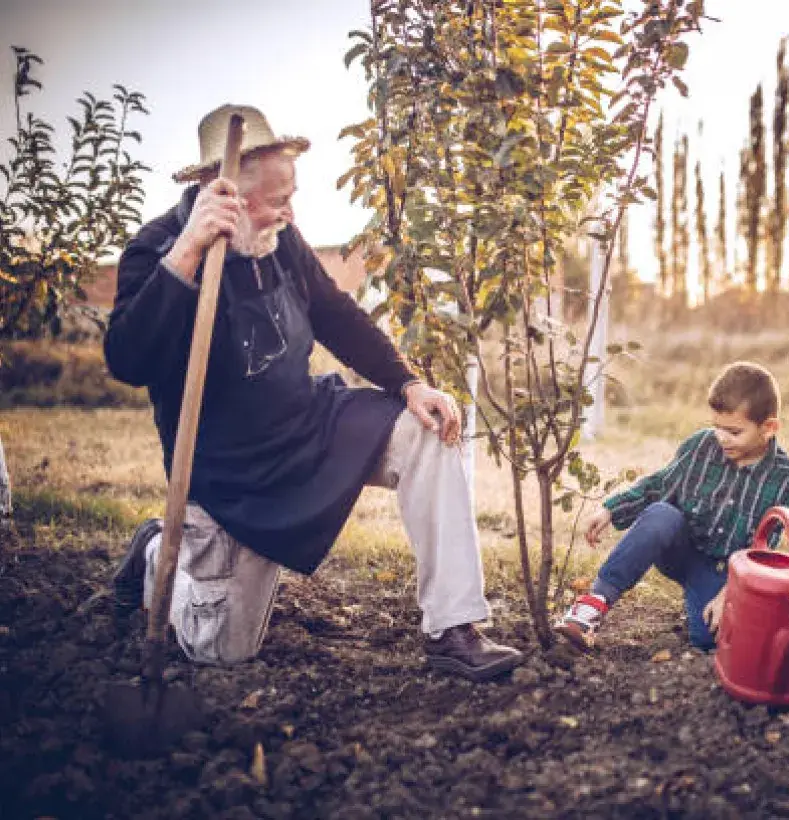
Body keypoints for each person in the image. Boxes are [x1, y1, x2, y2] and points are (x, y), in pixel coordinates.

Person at [104, 104, 523, 682]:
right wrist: (188, 255)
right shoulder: (158, 249)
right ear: (221, 194)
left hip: (308, 425)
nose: (289, 211)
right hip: (231, 478)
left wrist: (408, 382)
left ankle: (453, 629)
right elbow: (127, 360)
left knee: (428, 431)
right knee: (221, 651)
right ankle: (157, 557)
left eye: (290, 195)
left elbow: (334, 314)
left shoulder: (280, 240)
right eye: (278, 199)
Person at [554, 362, 789, 651]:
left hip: (724, 571)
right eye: (717, 427)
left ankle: (702, 598)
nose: (721, 438)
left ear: (768, 428)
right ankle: (591, 607)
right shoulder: (702, 446)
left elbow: (761, 550)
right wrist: (610, 509)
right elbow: (661, 485)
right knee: (662, 515)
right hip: (680, 549)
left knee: (709, 640)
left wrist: (728, 595)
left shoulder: (784, 478)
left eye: (734, 432)